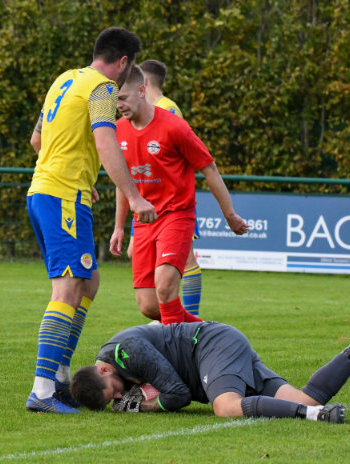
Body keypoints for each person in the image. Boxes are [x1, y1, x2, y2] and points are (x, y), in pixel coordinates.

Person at [25, 27, 158, 415]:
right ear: (124, 63)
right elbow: (105, 140)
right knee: (67, 288)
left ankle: (59, 380)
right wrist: (133, 196)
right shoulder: (102, 88)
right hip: (63, 197)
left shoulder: (65, 79)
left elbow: (37, 140)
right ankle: (42, 390)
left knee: (89, 281)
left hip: (47, 192)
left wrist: (80, 174)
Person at [70, 314, 350, 422]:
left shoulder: (126, 353)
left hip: (210, 346)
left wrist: (143, 405)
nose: (121, 397)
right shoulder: (111, 363)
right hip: (216, 350)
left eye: (115, 393)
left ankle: (315, 417)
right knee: (305, 398)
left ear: (103, 371)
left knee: (226, 407)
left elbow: (178, 394)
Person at [109, 65, 248, 324]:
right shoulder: (117, 131)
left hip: (176, 215)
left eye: (123, 98)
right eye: (115, 99)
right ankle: (204, 332)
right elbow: (123, 182)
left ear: (142, 91)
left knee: (164, 288)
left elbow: (209, 168)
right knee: (149, 306)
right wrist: (118, 227)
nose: (118, 105)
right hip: (144, 222)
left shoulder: (174, 126)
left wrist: (229, 215)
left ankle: (179, 349)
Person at [125, 59, 204, 318]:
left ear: (143, 83)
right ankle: (174, 318)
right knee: (138, 257)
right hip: (149, 203)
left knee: (186, 260)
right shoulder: (137, 115)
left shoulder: (166, 109)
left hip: (173, 204)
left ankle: (186, 318)